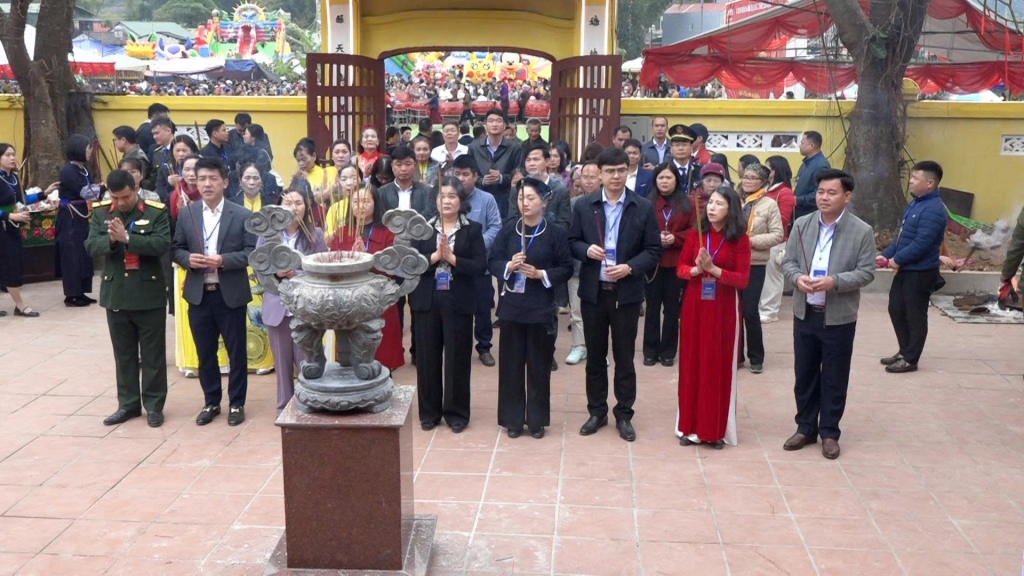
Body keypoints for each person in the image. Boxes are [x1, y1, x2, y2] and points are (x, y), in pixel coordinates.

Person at [569, 147, 661, 442]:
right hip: (593, 293)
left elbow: (653, 250)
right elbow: (572, 241)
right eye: (610, 171)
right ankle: (597, 411)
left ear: (628, 171)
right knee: (595, 357)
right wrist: (587, 250)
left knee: (624, 357)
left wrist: (630, 267)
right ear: (599, 174)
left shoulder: (642, 207)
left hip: (626, 294)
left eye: (622, 170)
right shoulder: (584, 206)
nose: (616, 176)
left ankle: (624, 414)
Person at [782, 169, 876, 459]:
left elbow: (866, 272)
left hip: (838, 317)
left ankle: (830, 432)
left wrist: (834, 281)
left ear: (846, 196)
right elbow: (788, 262)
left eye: (831, 192)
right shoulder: (802, 224)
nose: (824, 197)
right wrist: (797, 278)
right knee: (804, 374)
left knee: (835, 376)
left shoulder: (861, 231)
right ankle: (805, 427)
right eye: (820, 192)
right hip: (805, 312)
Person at [171, 157, 257, 426]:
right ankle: (211, 402)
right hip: (199, 294)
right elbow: (176, 248)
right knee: (205, 353)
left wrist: (224, 261)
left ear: (225, 182)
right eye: (202, 179)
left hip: (229, 294)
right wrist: (187, 259)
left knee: (236, 352)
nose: (207, 184)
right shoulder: (187, 214)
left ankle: (237, 404)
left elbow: (251, 252)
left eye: (213, 179)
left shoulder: (241, 214)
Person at [86, 170, 170, 427]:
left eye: (125, 196)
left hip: (148, 294)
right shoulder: (101, 212)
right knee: (123, 355)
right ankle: (128, 404)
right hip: (117, 294)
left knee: (153, 355)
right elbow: (90, 245)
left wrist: (128, 238)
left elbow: (162, 244)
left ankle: (154, 405)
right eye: (115, 197)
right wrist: (112, 241)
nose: (120, 202)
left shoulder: (155, 211)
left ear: (135, 189)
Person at [490, 178, 573, 438]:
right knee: (511, 367)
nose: (524, 203)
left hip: (540, 308)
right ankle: (512, 420)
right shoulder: (509, 230)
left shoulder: (555, 232)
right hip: (512, 308)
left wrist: (540, 274)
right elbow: (492, 261)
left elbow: (566, 267)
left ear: (544, 201)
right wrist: (509, 266)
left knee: (538, 367)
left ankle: (537, 420)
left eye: (530, 198)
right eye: (520, 198)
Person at [409, 177, 487, 432]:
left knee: (458, 357)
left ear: (461, 201)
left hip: (458, 299)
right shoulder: (422, 228)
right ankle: (429, 413)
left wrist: (453, 259)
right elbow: (412, 263)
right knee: (427, 357)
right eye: (442, 196)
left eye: (453, 196)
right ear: (435, 200)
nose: (447, 201)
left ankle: (456, 413)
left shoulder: (472, 229)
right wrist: (434, 257)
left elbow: (480, 267)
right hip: (427, 298)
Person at [675, 186, 751, 448]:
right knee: (692, 362)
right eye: (710, 203)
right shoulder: (696, 233)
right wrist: (697, 270)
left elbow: (742, 279)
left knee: (716, 363)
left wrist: (713, 269)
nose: (712, 208)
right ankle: (689, 427)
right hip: (695, 304)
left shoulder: (740, 240)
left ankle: (714, 429)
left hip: (724, 307)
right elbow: (680, 269)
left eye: (719, 203)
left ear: (731, 209)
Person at [877, 161, 948, 373]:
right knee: (896, 308)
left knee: (915, 315)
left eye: (915, 178)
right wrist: (885, 254)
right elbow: (901, 236)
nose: (911, 181)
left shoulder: (934, 209)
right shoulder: (916, 204)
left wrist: (897, 259)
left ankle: (910, 359)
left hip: (921, 272)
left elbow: (922, 243)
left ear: (930, 183)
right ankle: (904, 350)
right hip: (907, 269)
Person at [261, 188, 327, 414]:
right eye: (288, 203)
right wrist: (276, 273)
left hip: (305, 307)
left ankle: (310, 404)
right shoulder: (268, 235)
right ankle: (284, 408)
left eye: (298, 203)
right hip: (277, 306)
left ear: (306, 207)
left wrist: (296, 273)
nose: (293, 207)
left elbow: (322, 268)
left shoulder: (315, 235)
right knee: (281, 364)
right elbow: (259, 267)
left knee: (307, 361)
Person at [328, 185, 405, 370]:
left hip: (379, 302)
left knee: (381, 358)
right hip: (348, 302)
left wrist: (367, 257)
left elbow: (393, 269)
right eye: (355, 201)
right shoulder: (341, 233)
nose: (360, 206)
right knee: (350, 360)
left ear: (375, 203)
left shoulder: (388, 233)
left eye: (366, 201)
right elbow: (333, 267)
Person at [452, 155, 502, 367]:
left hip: (480, 265)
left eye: (465, 174)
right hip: (453, 264)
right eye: (457, 174)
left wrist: (476, 244)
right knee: (455, 308)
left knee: (482, 308)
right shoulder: (446, 197)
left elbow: (496, 227)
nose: (461, 179)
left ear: (475, 176)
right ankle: (457, 347)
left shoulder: (486, 199)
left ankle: (484, 347)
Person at [643, 162, 693, 367]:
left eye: (669, 177)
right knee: (652, 308)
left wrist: (676, 238)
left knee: (672, 309)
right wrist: (656, 238)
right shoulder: (647, 203)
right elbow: (640, 229)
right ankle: (650, 351)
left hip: (677, 263)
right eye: (661, 177)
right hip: (653, 263)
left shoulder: (688, 204)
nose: (664, 181)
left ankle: (668, 352)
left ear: (676, 180)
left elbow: (695, 231)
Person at [736, 163, 783, 374]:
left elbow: (777, 235)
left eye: (753, 178)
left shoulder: (769, 204)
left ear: (763, 182)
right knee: (733, 311)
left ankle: (756, 357)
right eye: (745, 177)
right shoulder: (734, 200)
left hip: (754, 263)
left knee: (750, 310)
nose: (748, 181)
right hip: (732, 263)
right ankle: (736, 355)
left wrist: (750, 241)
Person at [0, 143, 56, 316]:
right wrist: (9, 216)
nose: (12, 158)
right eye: (8, 155)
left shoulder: (13, 178)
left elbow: (22, 198)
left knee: (14, 262)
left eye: (13, 154)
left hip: (12, 227)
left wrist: (44, 194)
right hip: (3, 225)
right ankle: (20, 305)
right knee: (10, 264)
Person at [57, 134, 98, 307]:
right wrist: (104, 188)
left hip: (81, 213)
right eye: (88, 149)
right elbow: (86, 192)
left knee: (83, 253)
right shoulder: (68, 170)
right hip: (70, 216)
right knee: (72, 255)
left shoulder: (83, 169)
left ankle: (81, 291)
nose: (90, 152)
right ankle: (72, 295)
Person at [759, 155, 797, 323]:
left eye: (768, 167)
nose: (764, 170)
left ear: (775, 171)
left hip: (775, 241)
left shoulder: (784, 192)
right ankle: (763, 307)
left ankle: (770, 311)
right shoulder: (767, 190)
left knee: (773, 277)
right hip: (761, 239)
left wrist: (760, 220)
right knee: (764, 276)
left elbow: (783, 219)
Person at [468, 108, 524, 221]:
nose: (494, 124)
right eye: (491, 121)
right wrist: (482, 180)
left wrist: (502, 178)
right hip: (480, 197)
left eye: (498, 121)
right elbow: (469, 173)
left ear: (504, 125)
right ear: (486, 125)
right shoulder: (474, 147)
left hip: (505, 199)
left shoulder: (515, 148)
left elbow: (519, 173)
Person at [506, 143, 570, 228]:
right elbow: (512, 221)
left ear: (547, 161)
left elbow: (564, 224)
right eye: (528, 160)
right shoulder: (517, 188)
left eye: (536, 159)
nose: (531, 164)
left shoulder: (560, 190)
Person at [379, 146, 434, 215]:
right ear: (392, 167)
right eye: (398, 165)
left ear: (415, 165)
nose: (403, 169)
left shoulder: (427, 191)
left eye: (408, 164)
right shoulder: (382, 193)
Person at [793, 131, 830, 220]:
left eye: (802, 143)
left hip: (809, 215)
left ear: (811, 146)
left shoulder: (821, 166)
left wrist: (797, 200)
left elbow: (820, 193)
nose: (799, 146)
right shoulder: (806, 163)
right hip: (799, 213)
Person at [292, 138, 338, 209]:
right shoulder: (297, 178)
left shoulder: (330, 171)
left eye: (304, 159)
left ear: (314, 156)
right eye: (298, 160)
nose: (301, 163)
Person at [156, 135, 199, 205]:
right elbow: (160, 194)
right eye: (177, 150)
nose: (181, 154)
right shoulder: (166, 169)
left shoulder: (201, 168)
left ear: (192, 151)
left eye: (184, 150)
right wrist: (169, 184)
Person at [321, 164, 358, 242]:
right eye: (344, 179)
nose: (349, 183)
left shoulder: (367, 204)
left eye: (354, 178)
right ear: (339, 182)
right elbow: (327, 239)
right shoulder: (334, 208)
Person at [668, 124, 701, 193]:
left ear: (691, 149)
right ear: (671, 149)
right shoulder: (664, 170)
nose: (681, 148)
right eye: (677, 145)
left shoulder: (699, 170)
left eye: (684, 145)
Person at [147, 117, 176, 190]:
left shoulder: (180, 150)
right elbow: (154, 178)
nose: (154, 137)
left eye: (157, 133)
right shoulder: (157, 152)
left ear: (168, 131)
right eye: (153, 134)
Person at [136, 102, 169, 167]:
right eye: (164, 117)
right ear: (155, 116)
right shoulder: (148, 130)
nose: (167, 120)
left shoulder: (144, 128)